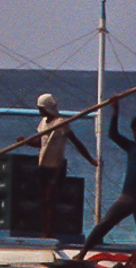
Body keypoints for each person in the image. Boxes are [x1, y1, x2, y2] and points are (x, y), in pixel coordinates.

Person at [75, 87, 136, 268]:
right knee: (104, 224)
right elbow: (113, 135)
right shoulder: (131, 147)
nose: (135, 134)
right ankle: (82, 253)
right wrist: (115, 111)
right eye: (133, 131)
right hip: (126, 197)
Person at [23, 93, 97, 238]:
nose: (40, 111)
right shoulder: (43, 122)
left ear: (47, 108)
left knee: (50, 199)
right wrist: (25, 141)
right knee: (43, 200)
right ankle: (44, 230)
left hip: (56, 167)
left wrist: (90, 160)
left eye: (41, 108)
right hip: (43, 166)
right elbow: (41, 143)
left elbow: (76, 142)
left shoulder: (61, 123)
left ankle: (48, 232)